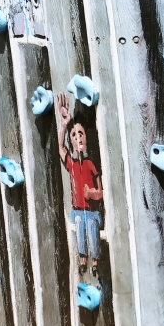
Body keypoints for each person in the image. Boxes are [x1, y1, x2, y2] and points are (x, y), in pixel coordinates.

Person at [56, 92, 104, 277]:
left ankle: (95, 261)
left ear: (87, 137)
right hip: (78, 211)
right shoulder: (72, 164)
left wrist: (92, 194)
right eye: (74, 135)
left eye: (81, 134)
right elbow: (61, 148)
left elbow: (100, 191)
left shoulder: (91, 164)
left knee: (90, 224)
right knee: (78, 222)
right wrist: (63, 125)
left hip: (92, 212)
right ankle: (83, 259)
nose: (78, 138)